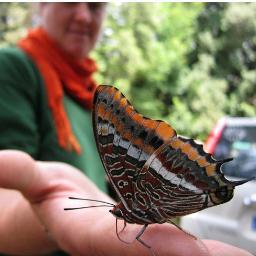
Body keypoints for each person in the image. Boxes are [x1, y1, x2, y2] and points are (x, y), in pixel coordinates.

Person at [0, 3, 253, 256]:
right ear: (42, 5)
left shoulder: (88, 95)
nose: (83, 15)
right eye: (69, 1)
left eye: (95, 6)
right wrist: (47, 212)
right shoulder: (14, 68)